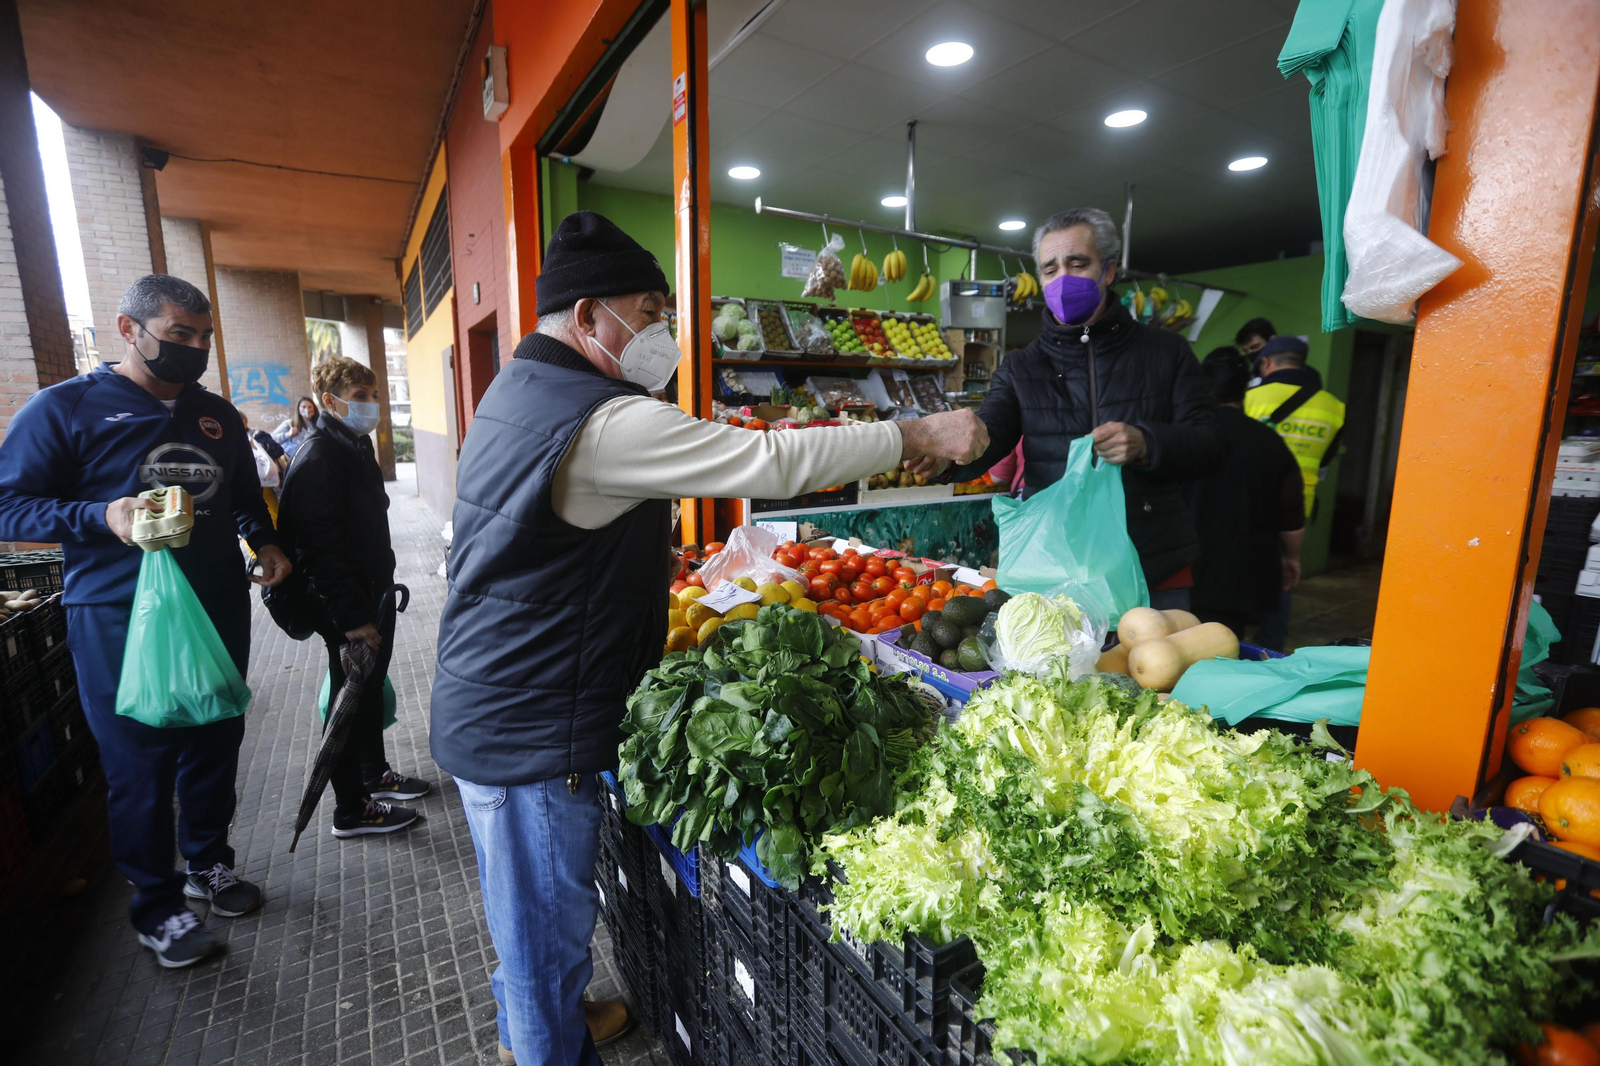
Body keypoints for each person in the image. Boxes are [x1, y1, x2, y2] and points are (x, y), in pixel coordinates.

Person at [429, 211, 988, 1066]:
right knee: (542, 936)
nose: (663, 331)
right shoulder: (601, 422)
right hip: (529, 727)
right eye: (649, 310)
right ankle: (544, 1041)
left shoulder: (518, 390)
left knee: (532, 922)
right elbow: (765, 464)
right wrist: (915, 433)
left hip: (501, 694)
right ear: (587, 318)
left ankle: (544, 1023)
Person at [0, 274, 292, 968]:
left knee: (217, 738)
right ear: (129, 331)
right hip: (118, 617)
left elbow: (246, 497)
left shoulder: (216, 414)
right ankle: (157, 907)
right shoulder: (64, 410)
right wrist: (101, 516)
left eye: (201, 337)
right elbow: (9, 506)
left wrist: (266, 542)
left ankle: (209, 863)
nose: (192, 348)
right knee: (139, 760)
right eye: (177, 334)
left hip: (216, 605)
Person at [909, 207, 1226, 609]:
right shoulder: (1022, 366)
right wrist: (949, 461)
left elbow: (1212, 443)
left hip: (1153, 563)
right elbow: (990, 433)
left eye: (1078, 264)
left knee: (1157, 668)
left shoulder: (1166, 353)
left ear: (1108, 271)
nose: (1062, 278)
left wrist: (1147, 442)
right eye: (1050, 268)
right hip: (1056, 565)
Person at [276, 356, 431, 838]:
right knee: (349, 703)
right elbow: (318, 549)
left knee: (364, 696)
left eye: (373, 395)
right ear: (329, 402)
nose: (371, 405)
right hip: (346, 608)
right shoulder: (321, 456)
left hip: (369, 595)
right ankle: (351, 809)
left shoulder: (352, 445)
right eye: (360, 397)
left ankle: (373, 774)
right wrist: (352, 618)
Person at [1190, 348, 1305, 639]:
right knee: (1225, 649)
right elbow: (1291, 511)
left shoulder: (1179, 436)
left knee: (1167, 652)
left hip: (1181, 569)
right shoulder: (1270, 442)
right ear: (1245, 388)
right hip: (1240, 574)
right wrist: (1291, 558)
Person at [1243, 335, 1346, 650]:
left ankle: (1232, 639)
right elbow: (1327, 458)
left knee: (1238, 570)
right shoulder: (1335, 407)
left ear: (1267, 363)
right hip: (1298, 503)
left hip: (1248, 499)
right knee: (1282, 577)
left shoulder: (1253, 397)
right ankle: (1272, 648)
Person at [238, 408, 287, 524]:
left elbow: (278, 450)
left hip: (265, 484)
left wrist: (259, 446)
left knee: (273, 513)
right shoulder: (231, 439)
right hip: (245, 485)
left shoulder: (258, 436)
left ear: (245, 422)